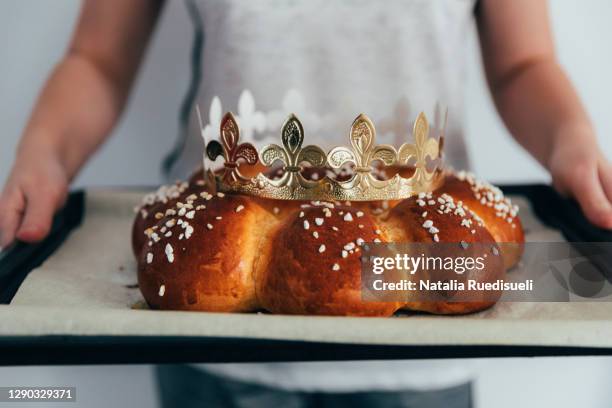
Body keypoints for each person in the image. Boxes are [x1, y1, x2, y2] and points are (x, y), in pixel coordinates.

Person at [1, 0, 610, 407]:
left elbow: (524, 63)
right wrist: (45, 155)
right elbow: (98, 60)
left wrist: (573, 143)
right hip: (211, 325)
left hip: (428, 323)